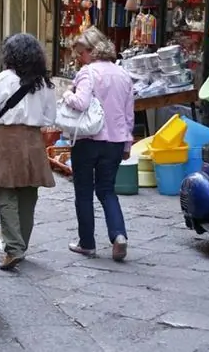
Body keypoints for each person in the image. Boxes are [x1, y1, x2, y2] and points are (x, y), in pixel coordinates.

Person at [0, 33, 56, 270]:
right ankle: (21, 245)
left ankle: (14, 248)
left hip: (7, 139)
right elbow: (50, 117)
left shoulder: (5, 78)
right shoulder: (43, 82)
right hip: (33, 139)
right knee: (28, 194)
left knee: (5, 193)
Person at [64, 27, 133, 262]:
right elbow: (128, 114)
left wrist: (66, 96)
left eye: (81, 53)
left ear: (92, 51)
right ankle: (118, 235)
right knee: (107, 190)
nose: (78, 58)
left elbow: (81, 103)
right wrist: (127, 144)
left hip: (88, 140)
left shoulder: (88, 73)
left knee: (83, 192)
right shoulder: (123, 74)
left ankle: (87, 243)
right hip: (115, 140)